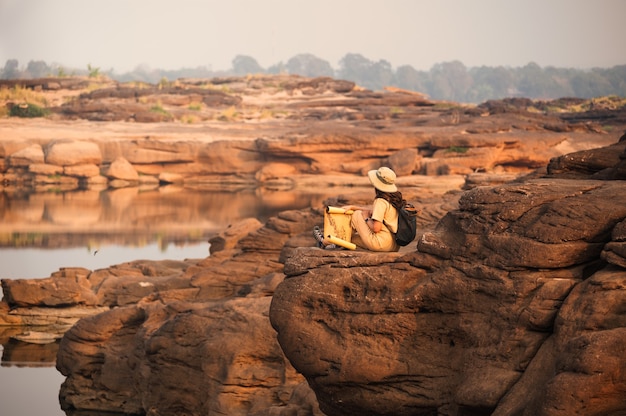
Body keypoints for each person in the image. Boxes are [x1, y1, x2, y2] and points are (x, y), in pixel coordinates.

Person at [313, 166, 401, 252]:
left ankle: (325, 241)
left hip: (381, 243)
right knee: (350, 239)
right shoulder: (393, 199)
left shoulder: (380, 201)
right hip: (393, 246)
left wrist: (366, 219)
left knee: (356, 214)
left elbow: (376, 228)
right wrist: (353, 207)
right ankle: (328, 243)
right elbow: (373, 212)